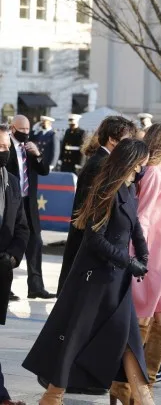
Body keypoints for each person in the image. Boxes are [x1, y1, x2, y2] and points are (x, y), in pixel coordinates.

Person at [23, 139, 154, 405]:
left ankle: (141, 396)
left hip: (117, 278)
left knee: (128, 335)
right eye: (142, 162)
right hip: (95, 277)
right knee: (76, 337)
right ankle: (53, 394)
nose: (144, 167)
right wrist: (129, 261)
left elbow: (135, 226)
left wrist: (143, 255)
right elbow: (95, 238)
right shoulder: (106, 189)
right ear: (131, 161)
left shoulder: (129, 188)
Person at [111, 123, 161, 402]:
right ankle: (129, 387)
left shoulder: (156, 171)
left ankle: (142, 384)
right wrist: (137, 257)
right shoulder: (154, 173)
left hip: (159, 261)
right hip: (149, 261)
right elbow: (142, 218)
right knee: (142, 323)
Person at [58, 116, 137, 297]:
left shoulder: (105, 161)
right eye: (127, 140)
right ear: (112, 139)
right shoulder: (101, 164)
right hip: (87, 240)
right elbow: (91, 209)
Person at [8, 115, 53, 299]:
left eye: (27, 129)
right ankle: (5, 287)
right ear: (12, 128)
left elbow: (44, 171)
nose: (25, 133)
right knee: (9, 243)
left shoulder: (30, 147)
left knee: (36, 243)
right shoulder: (5, 146)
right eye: (22, 129)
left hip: (28, 203)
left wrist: (38, 154)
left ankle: (36, 287)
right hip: (11, 203)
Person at [0, 125, 30, 405]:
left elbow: (22, 227)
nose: (4, 152)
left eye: (6, 147)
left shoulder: (10, 180)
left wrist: (12, 256)